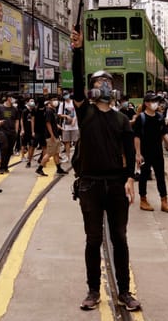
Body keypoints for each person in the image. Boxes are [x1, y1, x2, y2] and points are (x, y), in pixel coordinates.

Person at [70, 28, 141, 312]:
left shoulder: (122, 119)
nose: (104, 86)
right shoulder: (84, 112)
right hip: (89, 185)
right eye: (99, 82)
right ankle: (92, 290)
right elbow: (76, 83)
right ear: (91, 88)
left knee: (120, 239)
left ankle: (124, 291)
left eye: (108, 82)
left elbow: (130, 153)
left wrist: (131, 180)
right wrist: (77, 51)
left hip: (116, 186)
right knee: (93, 239)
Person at [135, 92, 168, 213]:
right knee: (144, 176)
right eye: (153, 101)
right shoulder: (141, 118)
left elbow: (164, 133)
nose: (155, 103)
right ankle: (143, 199)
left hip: (158, 152)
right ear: (147, 103)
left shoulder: (159, 117)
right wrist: (138, 153)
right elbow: (136, 137)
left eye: (156, 101)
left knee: (160, 176)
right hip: (145, 152)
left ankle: (164, 200)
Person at [0, 93, 19, 174]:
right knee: (4, 148)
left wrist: (16, 131)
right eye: (13, 98)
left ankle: (5, 166)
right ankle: (2, 167)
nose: (14, 100)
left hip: (12, 132)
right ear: (8, 98)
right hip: (2, 131)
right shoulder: (0, 108)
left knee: (9, 150)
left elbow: (17, 120)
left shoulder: (15, 109)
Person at [58, 91, 78, 162]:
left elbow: (77, 113)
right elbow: (59, 114)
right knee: (67, 142)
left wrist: (74, 120)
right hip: (65, 126)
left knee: (76, 141)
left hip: (74, 126)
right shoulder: (62, 104)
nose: (65, 96)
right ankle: (68, 157)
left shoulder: (74, 102)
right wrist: (66, 116)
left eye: (66, 94)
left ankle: (77, 156)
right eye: (64, 95)